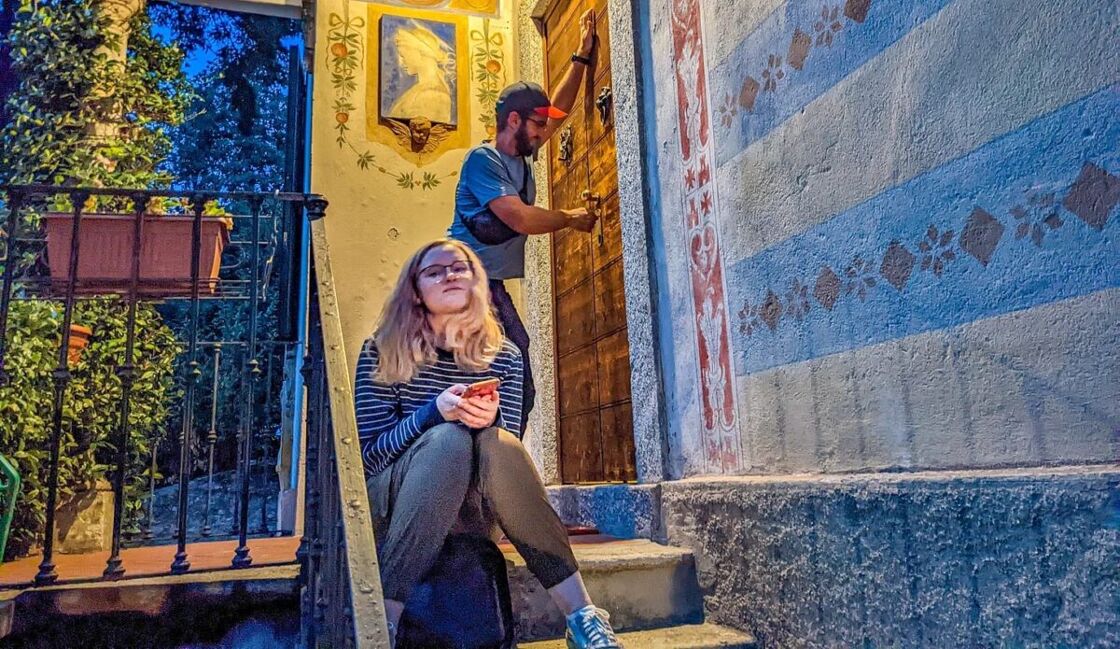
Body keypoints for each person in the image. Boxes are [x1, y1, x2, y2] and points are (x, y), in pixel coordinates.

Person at [356, 239, 623, 649]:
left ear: (477, 281)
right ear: (415, 290)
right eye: (434, 271)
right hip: (395, 504)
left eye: (459, 267)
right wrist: (431, 415)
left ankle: (583, 617)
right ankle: (384, 625)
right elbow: (368, 459)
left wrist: (490, 422)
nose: (449, 275)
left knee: (499, 443)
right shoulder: (381, 352)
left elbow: (503, 465)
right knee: (447, 439)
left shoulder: (505, 357)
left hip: (471, 511)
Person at [447, 9, 600, 435]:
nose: (543, 131)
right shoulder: (484, 160)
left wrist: (581, 57)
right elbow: (519, 217)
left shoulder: (522, 154)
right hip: (464, 287)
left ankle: (501, 458)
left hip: (488, 287)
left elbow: (561, 109)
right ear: (513, 120)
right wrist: (570, 218)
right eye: (536, 123)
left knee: (513, 369)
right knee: (501, 368)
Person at [388, 20, 454, 124]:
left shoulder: (433, 95)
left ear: (421, 52)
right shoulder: (420, 89)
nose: (401, 62)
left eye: (403, 55)